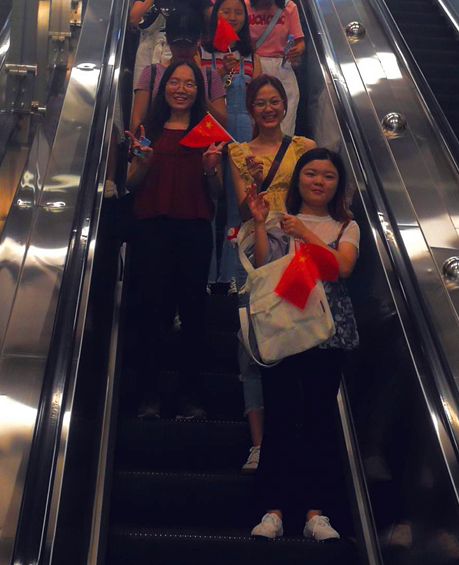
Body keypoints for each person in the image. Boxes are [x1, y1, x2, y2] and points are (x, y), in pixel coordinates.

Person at [245, 148, 359, 539]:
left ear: (338, 184)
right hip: (284, 327)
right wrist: (260, 223)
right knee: (279, 418)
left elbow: (342, 267)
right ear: (298, 179)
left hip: (328, 332)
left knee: (318, 420)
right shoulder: (281, 219)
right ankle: (272, 512)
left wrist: (305, 234)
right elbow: (264, 268)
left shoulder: (346, 226)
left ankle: (315, 514)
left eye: (328, 176)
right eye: (311, 173)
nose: (318, 181)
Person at [125, 60, 224, 421]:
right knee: (150, 311)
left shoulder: (208, 131)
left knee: (194, 315)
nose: (181, 89)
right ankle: (148, 395)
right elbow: (131, 185)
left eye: (190, 84)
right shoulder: (146, 129)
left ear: (199, 91)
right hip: (151, 228)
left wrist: (210, 169)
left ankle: (190, 397)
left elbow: (217, 193)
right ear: (163, 85)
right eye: (174, 82)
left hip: (194, 229)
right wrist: (143, 163)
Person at [228, 75, 316, 472]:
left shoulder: (304, 147)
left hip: (296, 248)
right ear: (250, 109)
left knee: (297, 338)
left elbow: (316, 195)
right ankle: (259, 444)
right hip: (256, 250)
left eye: (274, 101)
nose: (268, 109)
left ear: (285, 104)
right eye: (260, 103)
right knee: (253, 346)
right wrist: (255, 184)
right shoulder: (239, 152)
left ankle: (292, 439)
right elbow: (242, 212)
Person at [201, 0, 261, 289]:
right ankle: (205, 278)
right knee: (208, 202)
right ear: (216, 16)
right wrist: (219, 73)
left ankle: (233, 279)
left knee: (239, 207)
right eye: (226, 11)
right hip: (209, 128)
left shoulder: (251, 55)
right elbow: (195, 90)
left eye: (238, 12)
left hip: (244, 129)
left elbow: (258, 96)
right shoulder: (202, 51)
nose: (233, 17)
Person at [131, 8, 227, 132]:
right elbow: (137, 118)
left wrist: (201, 94)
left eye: (188, 45)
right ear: (167, 40)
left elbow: (222, 123)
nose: (183, 50)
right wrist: (137, 141)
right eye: (177, 45)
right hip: (157, 141)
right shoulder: (152, 73)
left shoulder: (209, 75)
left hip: (199, 141)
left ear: (199, 40)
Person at [247, 0, 305, 135]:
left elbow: (300, 42)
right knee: (254, 119)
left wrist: (297, 51)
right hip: (254, 65)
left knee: (286, 120)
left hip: (282, 66)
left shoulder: (289, 8)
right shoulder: (244, 6)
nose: (265, 1)